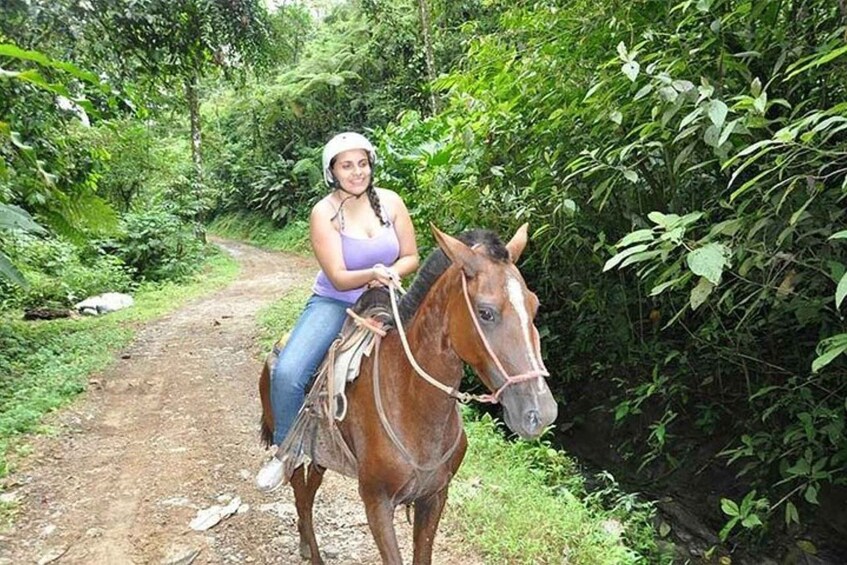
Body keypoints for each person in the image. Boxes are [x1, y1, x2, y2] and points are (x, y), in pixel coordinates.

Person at [256, 131, 419, 492]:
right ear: (332, 171)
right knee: (288, 371)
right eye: (347, 165)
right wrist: (373, 272)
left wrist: (393, 272)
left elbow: (411, 255)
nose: (357, 172)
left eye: (362, 164)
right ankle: (288, 451)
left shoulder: (391, 202)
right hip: (336, 302)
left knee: (433, 350)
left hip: (386, 297)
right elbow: (339, 277)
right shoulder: (324, 213)